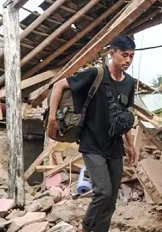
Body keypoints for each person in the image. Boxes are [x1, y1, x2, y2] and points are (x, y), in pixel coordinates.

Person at [46, 35, 137, 232]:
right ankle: (86, 228)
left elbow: (126, 115)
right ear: (112, 53)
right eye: (124, 55)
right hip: (92, 143)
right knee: (103, 192)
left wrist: (130, 144)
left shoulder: (130, 83)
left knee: (111, 201)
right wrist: (52, 117)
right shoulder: (96, 74)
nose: (128, 60)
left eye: (131, 56)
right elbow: (58, 85)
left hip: (114, 146)